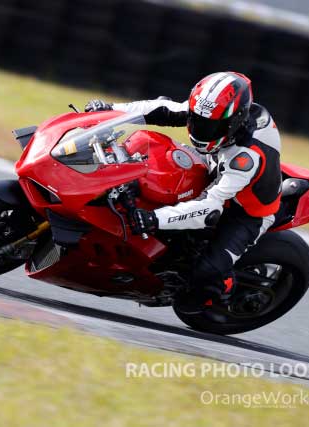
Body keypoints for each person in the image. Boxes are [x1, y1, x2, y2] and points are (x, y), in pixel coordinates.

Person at [85, 72, 282, 313]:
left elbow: (210, 207)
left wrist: (153, 219)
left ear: (234, 122)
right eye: (197, 120)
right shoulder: (214, 112)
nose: (201, 130)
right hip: (214, 163)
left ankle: (226, 287)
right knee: (149, 163)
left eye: (211, 126)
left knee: (204, 278)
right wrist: (111, 110)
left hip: (245, 211)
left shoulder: (246, 156)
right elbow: (162, 109)